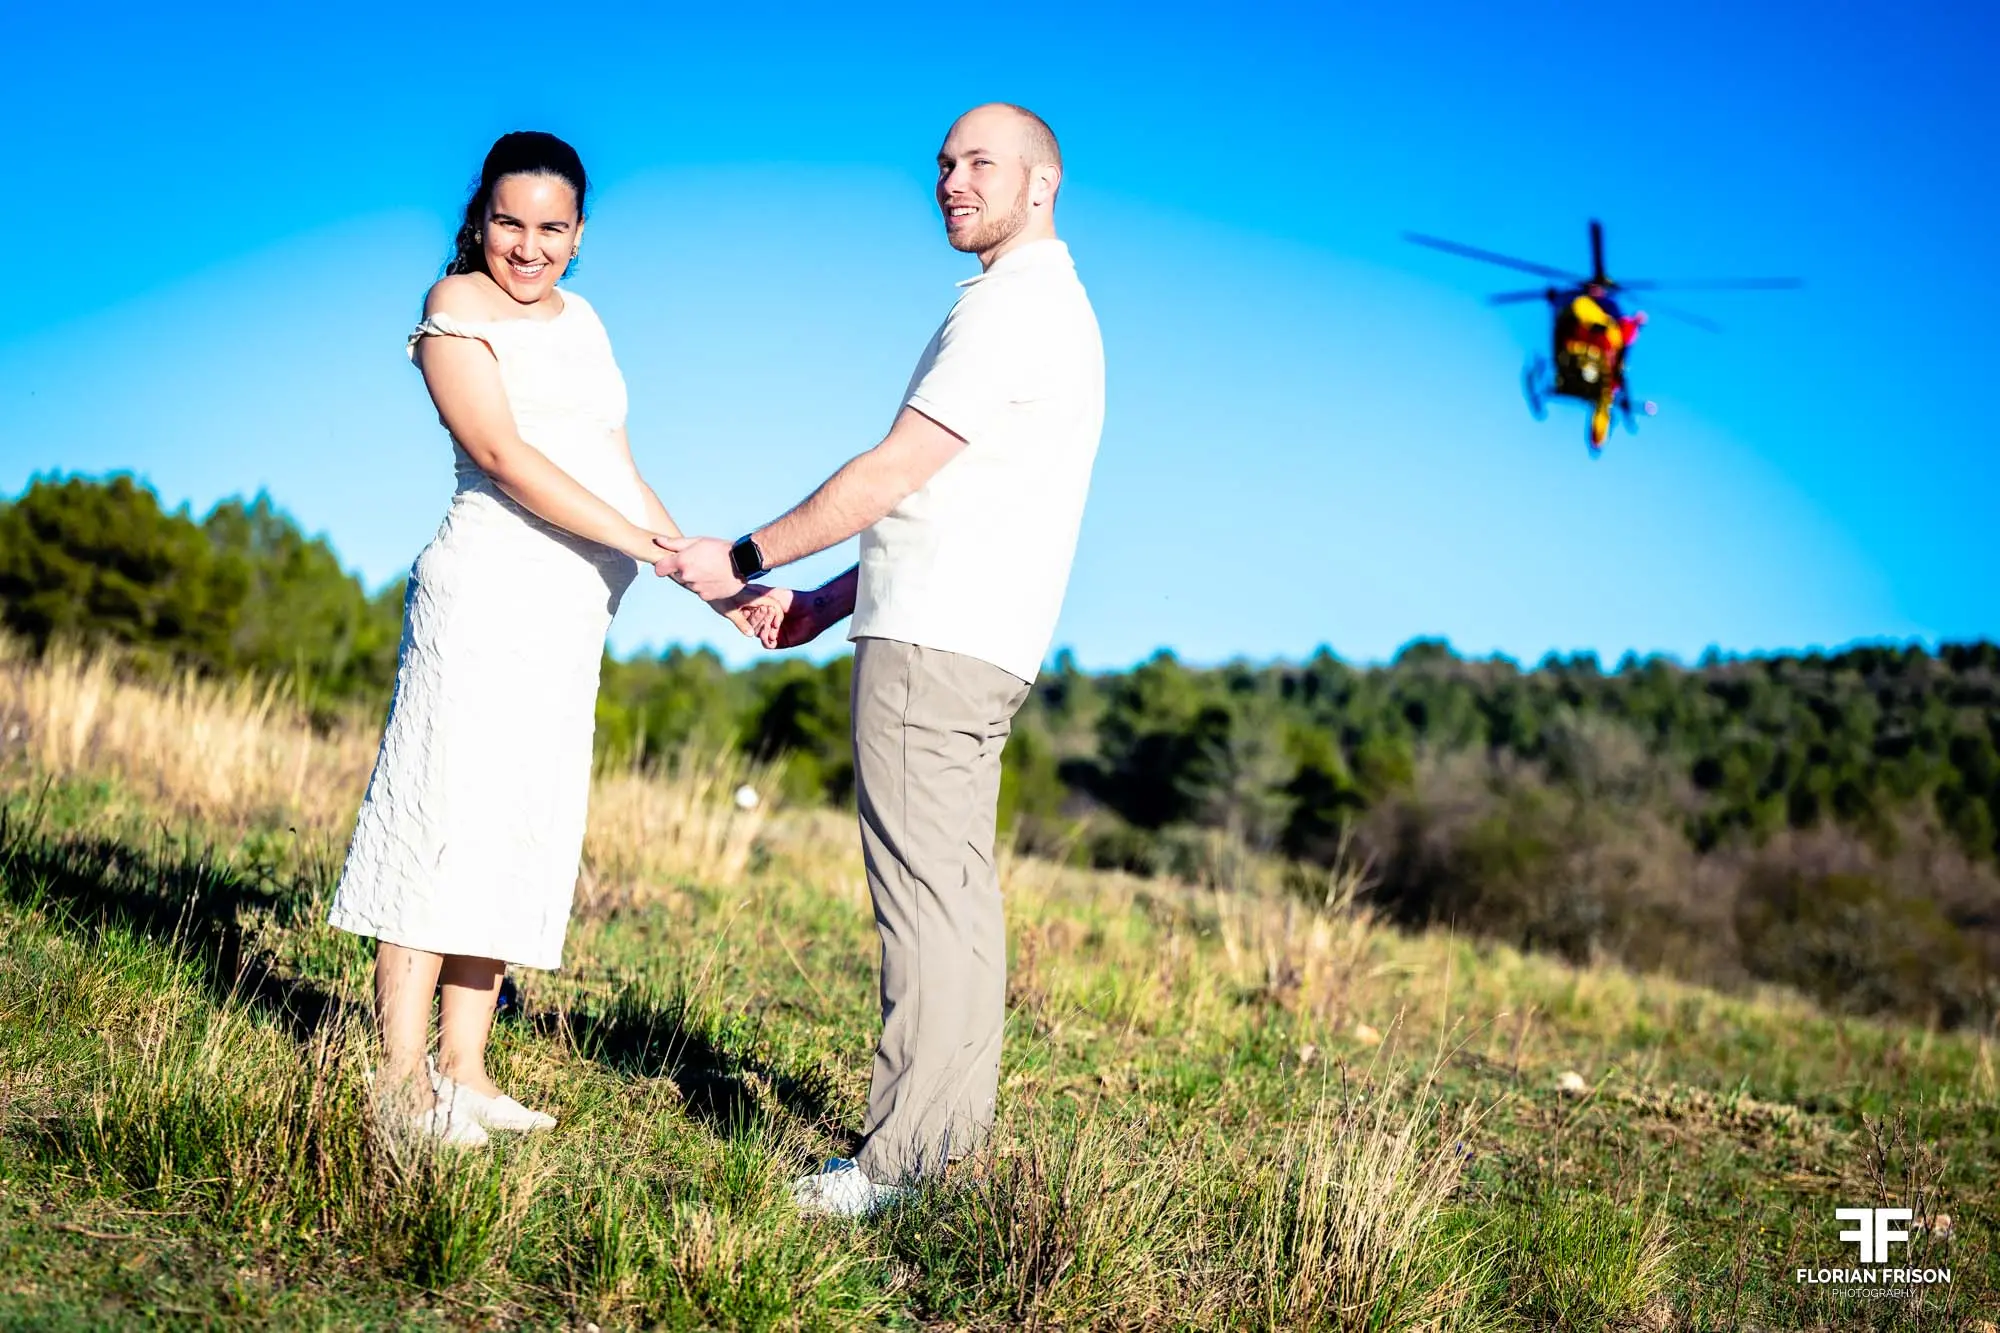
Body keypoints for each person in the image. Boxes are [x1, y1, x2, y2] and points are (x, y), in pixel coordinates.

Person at [654, 103, 1105, 1214]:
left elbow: (892, 471)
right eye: (944, 163)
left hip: (935, 646)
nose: (951, 180)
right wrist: (817, 601)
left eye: (979, 164)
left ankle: (896, 1165)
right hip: (972, 632)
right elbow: (954, 502)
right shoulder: (1052, 309)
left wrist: (746, 553)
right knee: (954, 896)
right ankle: (942, 1148)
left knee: (919, 899)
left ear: (1040, 183)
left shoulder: (1008, 310)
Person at [329, 131, 758, 1147]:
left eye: (551, 228)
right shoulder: (453, 314)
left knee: (519, 826)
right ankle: (397, 1080)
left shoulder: (588, 320)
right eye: (510, 223)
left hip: (570, 618)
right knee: (443, 814)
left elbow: (614, 460)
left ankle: (465, 1067)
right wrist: (640, 549)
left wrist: (708, 575)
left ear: (579, 233)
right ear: (479, 217)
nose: (528, 247)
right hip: (484, 596)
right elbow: (502, 453)